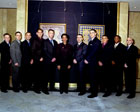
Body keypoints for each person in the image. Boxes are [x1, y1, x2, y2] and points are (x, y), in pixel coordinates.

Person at [84, 29, 102, 98]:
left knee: (94, 78)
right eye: (90, 33)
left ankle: (94, 93)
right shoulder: (91, 41)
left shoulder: (97, 42)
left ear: (95, 33)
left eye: (92, 33)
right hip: (90, 62)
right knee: (91, 77)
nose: (91, 34)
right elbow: (88, 52)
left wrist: (87, 59)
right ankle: (92, 90)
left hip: (93, 63)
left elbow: (93, 52)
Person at [42, 29, 57, 94]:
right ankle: (44, 89)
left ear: (53, 34)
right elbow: (45, 51)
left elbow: (57, 51)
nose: (51, 34)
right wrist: (51, 58)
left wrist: (55, 57)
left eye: (52, 33)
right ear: (48, 34)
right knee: (46, 75)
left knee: (52, 75)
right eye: (50, 33)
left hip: (54, 61)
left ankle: (52, 87)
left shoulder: (55, 42)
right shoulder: (45, 42)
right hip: (47, 61)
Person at [31, 28, 44, 94]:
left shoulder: (43, 40)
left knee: (40, 75)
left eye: (41, 32)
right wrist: (38, 58)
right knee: (36, 75)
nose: (40, 33)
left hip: (42, 60)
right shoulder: (34, 40)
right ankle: (36, 88)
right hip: (36, 60)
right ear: (36, 33)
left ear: (42, 33)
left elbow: (44, 51)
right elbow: (33, 51)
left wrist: (42, 57)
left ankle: (39, 87)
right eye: (39, 32)